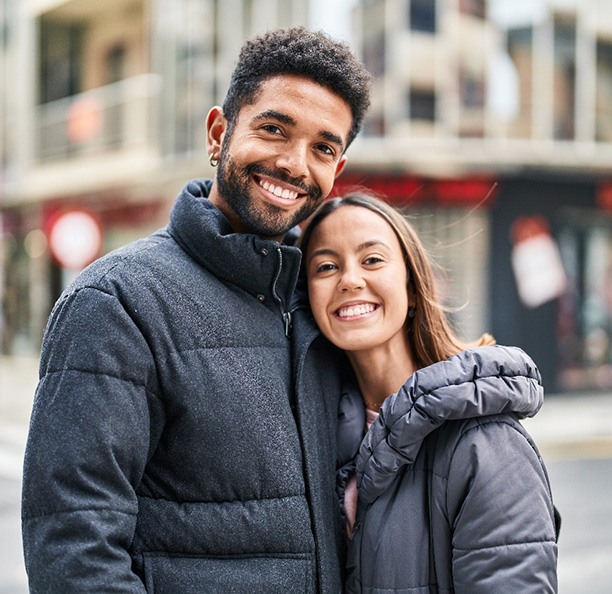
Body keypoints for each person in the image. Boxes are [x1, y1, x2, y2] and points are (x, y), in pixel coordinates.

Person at [21, 27, 371, 593]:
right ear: (218, 133)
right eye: (273, 129)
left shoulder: (320, 303)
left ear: (338, 169)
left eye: (323, 148)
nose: (293, 163)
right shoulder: (118, 302)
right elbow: (74, 548)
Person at [299, 193, 559, 593]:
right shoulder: (318, 441)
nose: (349, 279)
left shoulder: (487, 443)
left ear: (413, 285)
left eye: (372, 260)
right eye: (326, 267)